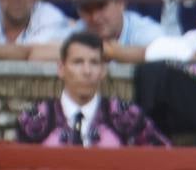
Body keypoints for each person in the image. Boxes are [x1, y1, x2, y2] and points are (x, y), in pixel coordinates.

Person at [16, 31, 171, 146]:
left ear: (103, 70)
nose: (87, 71)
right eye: (78, 62)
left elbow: (163, 156)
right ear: (61, 68)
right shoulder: (34, 118)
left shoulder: (127, 115)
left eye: (94, 63)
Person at [27, 0, 164, 61]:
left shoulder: (142, 29)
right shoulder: (79, 30)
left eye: (101, 6)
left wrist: (113, 52)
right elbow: (34, 53)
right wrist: (101, 50)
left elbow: (167, 53)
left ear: (120, 2)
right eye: (87, 9)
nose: (95, 17)